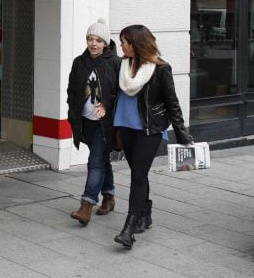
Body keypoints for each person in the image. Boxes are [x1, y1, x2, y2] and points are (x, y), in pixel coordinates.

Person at [113, 24, 194, 249]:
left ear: (136, 44)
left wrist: (182, 134)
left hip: (149, 130)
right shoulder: (121, 65)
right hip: (125, 128)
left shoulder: (160, 69)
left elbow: (172, 103)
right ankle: (145, 213)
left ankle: (129, 228)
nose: (121, 45)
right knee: (139, 173)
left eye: (124, 42)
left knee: (138, 176)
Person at [66, 18, 122, 225]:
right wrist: (73, 113)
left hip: (105, 124)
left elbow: (122, 92)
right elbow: (72, 90)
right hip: (84, 121)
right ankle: (109, 196)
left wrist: (106, 104)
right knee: (101, 159)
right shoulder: (79, 63)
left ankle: (86, 205)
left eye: (98, 40)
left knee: (95, 162)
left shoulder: (115, 63)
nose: (94, 43)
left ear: (106, 43)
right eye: (90, 39)